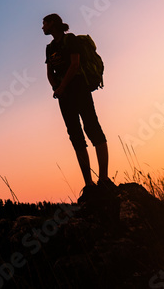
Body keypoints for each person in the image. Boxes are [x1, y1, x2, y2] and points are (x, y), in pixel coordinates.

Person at [42, 13, 113, 202]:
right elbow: (49, 72)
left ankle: (104, 179)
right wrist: (56, 88)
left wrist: (62, 86)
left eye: (45, 23)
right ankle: (89, 184)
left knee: (92, 128)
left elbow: (75, 64)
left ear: (53, 24)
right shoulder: (49, 48)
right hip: (63, 95)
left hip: (79, 88)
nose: (42, 27)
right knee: (75, 135)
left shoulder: (70, 40)